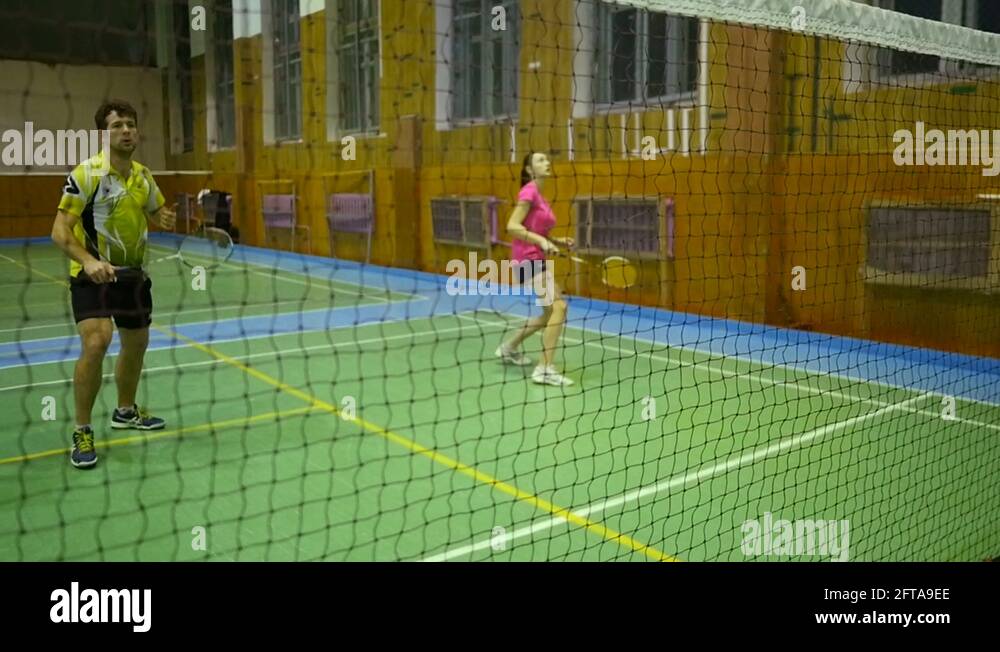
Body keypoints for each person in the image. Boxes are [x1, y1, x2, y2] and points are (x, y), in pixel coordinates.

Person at [50, 100, 176, 468]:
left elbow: (153, 212)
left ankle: (125, 410)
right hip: (92, 276)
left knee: (136, 343)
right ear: (104, 134)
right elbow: (59, 230)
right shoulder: (86, 174)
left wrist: (162, 217)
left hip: (132, 275)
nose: (126, 130)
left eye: (131, 124)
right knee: (97, 340)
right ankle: (83, 429)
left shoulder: (143, 176)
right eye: (118, 125)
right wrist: (88, 262)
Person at [495, 151, 575, 386]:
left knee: (549, 313)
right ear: (530, 170)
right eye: (540, 160)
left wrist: (556, 240)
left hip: (533, 258)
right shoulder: (529, 190)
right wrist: (541, 242)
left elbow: (535, 229)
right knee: (559, 307)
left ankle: (508, 347)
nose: (547, 162)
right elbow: (512, 226)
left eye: (548, 159)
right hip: (527, 260)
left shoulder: (538, 195)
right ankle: (544, 369)